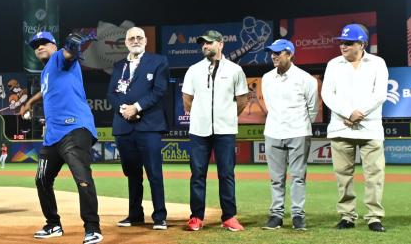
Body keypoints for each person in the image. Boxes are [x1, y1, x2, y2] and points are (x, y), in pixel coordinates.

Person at [20, 31, 103, 244]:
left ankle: (92, 228)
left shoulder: (59, 58)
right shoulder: (46, 71)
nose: (38, 47)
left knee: (82, 178)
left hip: (74, 128)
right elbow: (46, 91)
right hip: (53, 136)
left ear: (55, 46)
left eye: (43, 43)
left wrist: (73, 45)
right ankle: (53, 224)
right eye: (35, 45)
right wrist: (30, 102)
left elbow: (70, 53)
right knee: (42, 179)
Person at [322, 24, 388, 232]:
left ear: (362, 44)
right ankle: (347, 215)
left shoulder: (377, 63)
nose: (343, 46)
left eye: (348, 43)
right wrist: (348, 113)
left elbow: (380, 94)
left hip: (371, 127)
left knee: (374, 175)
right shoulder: (333, 64)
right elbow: (327, 94)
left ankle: (374, 216)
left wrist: (360, 113)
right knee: (343, 175)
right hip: (342, 126)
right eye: (341, 42)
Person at [181, 30, 249, 232]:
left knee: (226, 174)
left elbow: (242, 100)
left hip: (225, 130)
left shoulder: (235, 70)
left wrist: (226, 116)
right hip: (199, 131)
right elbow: (187, 99)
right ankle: (196, 217)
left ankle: (229, 216)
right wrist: (201, 116)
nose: (205, 46)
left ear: (220, 44)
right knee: (197, 174)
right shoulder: (193, 69)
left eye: (209, 43)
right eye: (203, 43)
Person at [106, 27, 170, 230]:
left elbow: (160, 90)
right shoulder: (118, 66)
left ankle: (159, 216)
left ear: (145, 40)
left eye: (139, 37)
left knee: (154, 173)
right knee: (132, 174)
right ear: (125, 42)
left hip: (149, 125)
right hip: (124, 126)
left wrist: (137, 107)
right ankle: (135, 214)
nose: (135, 40)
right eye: (131, 38)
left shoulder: (158, 61)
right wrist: (123, 108)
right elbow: (111, 94)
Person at [260, 39, 318, 231]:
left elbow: (313, 109)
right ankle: (276, 215)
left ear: (290, 54)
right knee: (276, 178)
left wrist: (299, 126)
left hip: (298, 132)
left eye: (278, 52)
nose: (273, 56)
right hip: (273, 132)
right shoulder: (267, 78)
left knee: (298, 177)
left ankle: (297, 215)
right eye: (272, 53)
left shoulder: (306, 79)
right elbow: (269, 105)